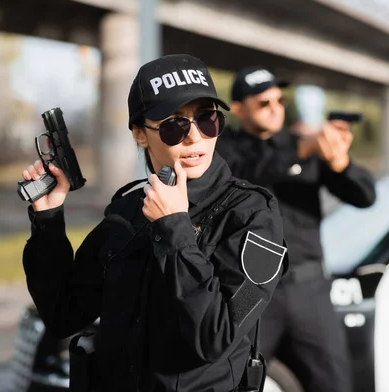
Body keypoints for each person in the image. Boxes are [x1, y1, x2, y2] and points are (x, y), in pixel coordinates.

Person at [21, 54, 288, 392]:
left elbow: (214, 337)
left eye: (207, 120)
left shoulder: (253, 214)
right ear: (140, 134)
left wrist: (174, 227)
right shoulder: (127, 211)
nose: (195, 138)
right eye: (176, 124)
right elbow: (63, 314)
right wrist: (48, 219)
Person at [216, 66, 376, 392]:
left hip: (308, 290)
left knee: (334, 382)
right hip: (252, 292)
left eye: (280, 100)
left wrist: (339, 162)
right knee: (235, 382)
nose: (276, 108)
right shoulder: (224, 151)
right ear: (239, 108)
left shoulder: (302, 145)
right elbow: (252, 171)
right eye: (264, 103)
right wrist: (303, 151)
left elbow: (365, 195)